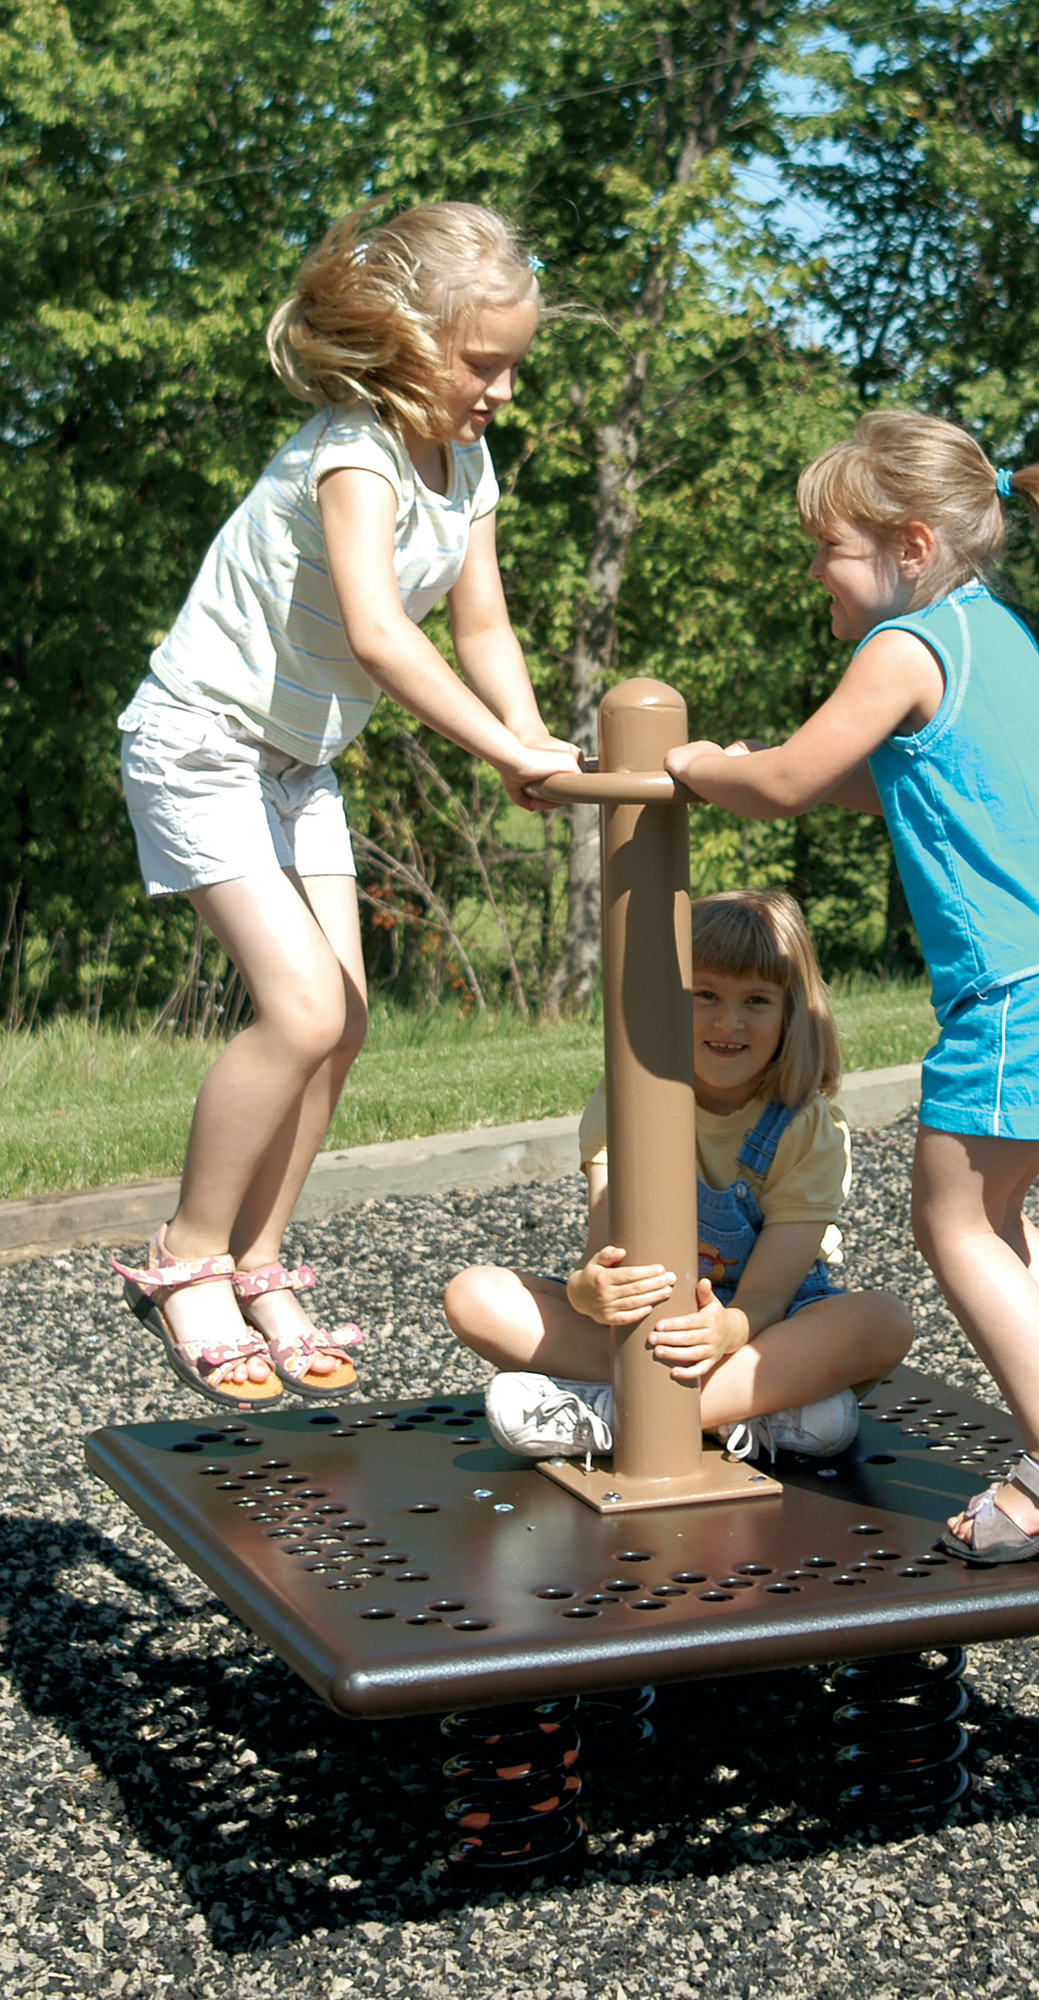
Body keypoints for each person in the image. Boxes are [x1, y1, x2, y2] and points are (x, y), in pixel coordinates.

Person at [663, 410, 1039, 1564]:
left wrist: (699, 768)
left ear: (905, 546)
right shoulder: (989, 632)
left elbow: (792, 781)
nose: (814, 571)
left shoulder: (899, 648)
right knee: (998, 1214)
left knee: (948, 1218)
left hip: (1021, 987)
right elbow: (899, 787)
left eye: (826, 549)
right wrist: (767, 775)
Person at [113, 202, 578, 1409]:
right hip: (197, 744)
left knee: (348, 1018)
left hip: (291, 762)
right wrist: (495, 752)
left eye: (514, 361)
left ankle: (258, 1258)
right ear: (408, 340)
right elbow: (378, 633)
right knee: (301, 1005)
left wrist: (529, 739)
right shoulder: (353, 452)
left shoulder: (464, 462)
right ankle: (183, 1256)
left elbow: (480, 623)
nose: (504, 389)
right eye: (485, 363)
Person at [445, 890, 913, 1461]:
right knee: (474, 1297)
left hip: (762, 1330)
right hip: (647, 1334)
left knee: (883, 1322)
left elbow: (766, 1293)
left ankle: (613, 1416)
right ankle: (753, 1412)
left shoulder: (807, 1129)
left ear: (792, 1012)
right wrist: (588, 1291)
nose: (729, 1020)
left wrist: (732, 1330)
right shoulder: (626, 1097)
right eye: (706, 994)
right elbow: (603, 1249)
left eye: (757, 1000)